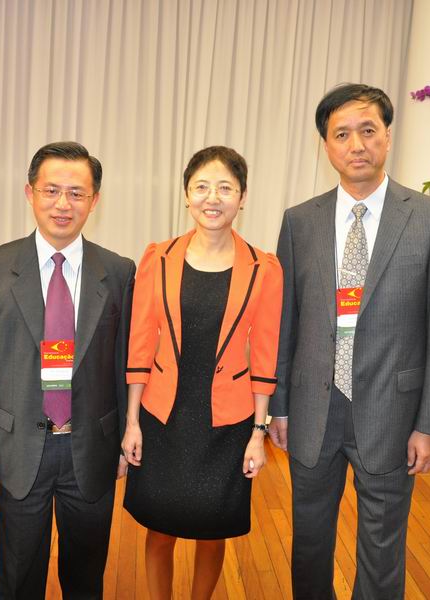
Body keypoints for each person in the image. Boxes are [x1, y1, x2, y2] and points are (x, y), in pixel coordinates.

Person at [268, 83, 430, 599]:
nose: (356, 145)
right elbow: (286, 322)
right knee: (310, 540)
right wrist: (279, 406)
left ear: (387, 137)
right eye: (342, 134)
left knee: (382, 546)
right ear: (325, 145)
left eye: (368, 130)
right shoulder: (300, 221)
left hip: (392, 413)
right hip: (313, 408)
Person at [0, 141, 135, 599]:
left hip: (91, 449)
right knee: (18, 575)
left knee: (86, 576)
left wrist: (123, 439)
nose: (62, 204)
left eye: (76, 193)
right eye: (51, 190)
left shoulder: (118, 271)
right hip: (17, 447)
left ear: (95, 200)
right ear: (29, 193)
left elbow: (122, 365)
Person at [122, 146, 283, 599]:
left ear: (242, 197)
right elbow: (140, 341)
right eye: (202, 187)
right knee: (159, 527)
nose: (213, 198)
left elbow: (265, 355)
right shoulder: (157, 258)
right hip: (162, 414)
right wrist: (132, 422)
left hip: (227, 422)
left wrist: (258, 433)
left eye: (225, 188)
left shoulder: (264, 269)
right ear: (186, 195)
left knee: (214, 530)